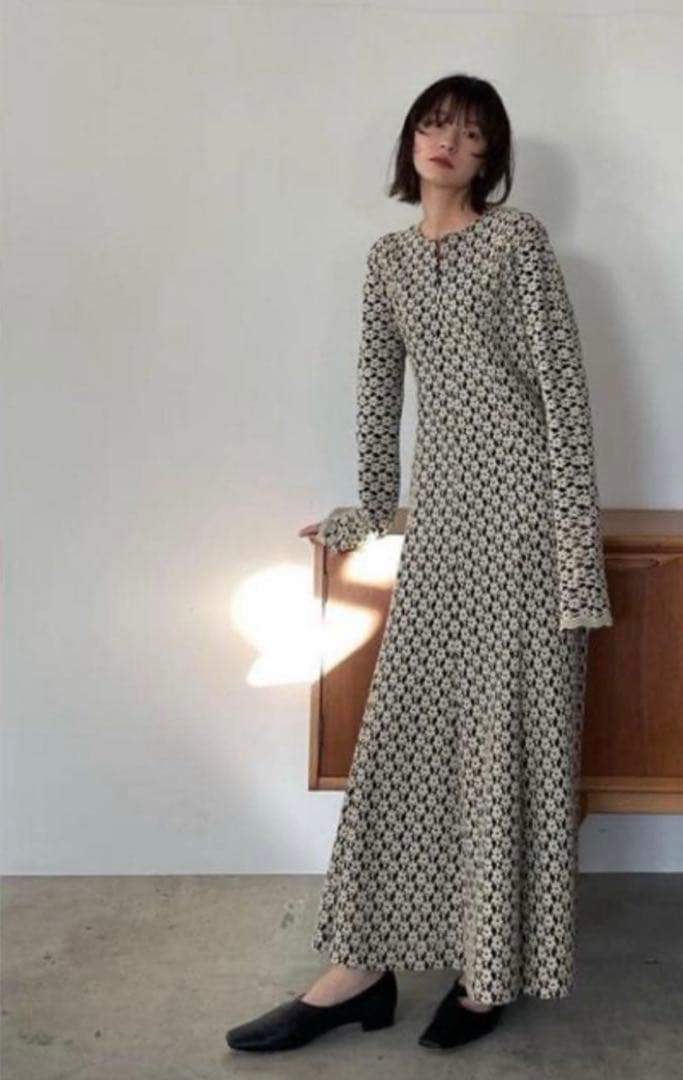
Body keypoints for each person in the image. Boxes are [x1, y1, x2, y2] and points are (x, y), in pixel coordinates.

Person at [226, 72, 613, 1055]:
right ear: (410, 142)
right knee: (401, 746)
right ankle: (360, 969)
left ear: (491, 158)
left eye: (471, 133)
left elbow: (564, 400)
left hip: (523, 527)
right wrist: (367, 507)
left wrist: (577, 562)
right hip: (440, 529)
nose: (448, 142)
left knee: (503, 747)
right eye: (435, 124)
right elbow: (376, 386)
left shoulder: (517, 242)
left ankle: (487, 975)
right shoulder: (388, 259)